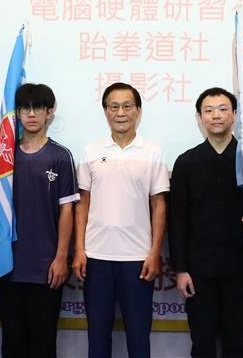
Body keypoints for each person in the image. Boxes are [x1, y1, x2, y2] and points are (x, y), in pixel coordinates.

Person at [73, 82, 170, 358]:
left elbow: (159, 204)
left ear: (138, 111)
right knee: (98, 337)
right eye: (113, 106)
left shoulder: (152, 151)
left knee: (139, 337)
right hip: (96, 256)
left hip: (138, 259)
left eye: (127, 106)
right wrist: (79, 250)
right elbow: (82, 203)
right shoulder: (91, 150)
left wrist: (154, 253)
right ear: (105, 111)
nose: (120, 112)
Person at [168, 87, 243, 358]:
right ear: (199, 117)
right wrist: (181, 269)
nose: (216, 116)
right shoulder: (186, 162)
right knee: (203, 342)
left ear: (234, 115)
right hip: (199, 271)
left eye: (222, 109)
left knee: (236, 342)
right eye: (208, 111)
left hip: (241, 269)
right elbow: (178, 221)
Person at [0, 83, 79, 358]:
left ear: (49, 112)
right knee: (12, 342)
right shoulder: (4, 158)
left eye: (38, 108)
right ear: (16, 113)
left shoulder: (60, 156)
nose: (31, 114)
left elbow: (68, 211)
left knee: (43, 344)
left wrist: (60, 258)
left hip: (46, 267)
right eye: (24, 108)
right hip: (7, 265)